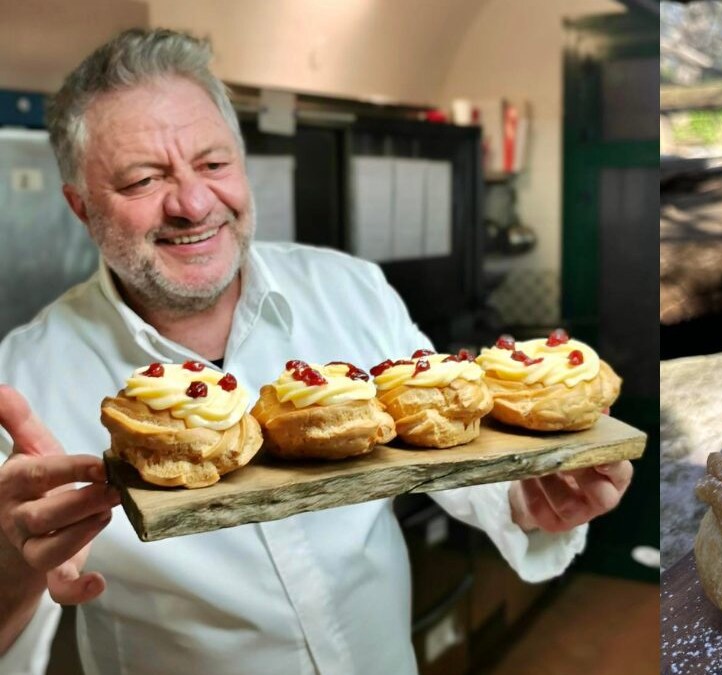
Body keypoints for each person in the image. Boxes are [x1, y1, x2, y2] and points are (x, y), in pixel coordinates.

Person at [0, 28, 633, 675]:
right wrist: (9, 568)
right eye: (143, 178)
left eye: (214, 164)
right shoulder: (27, 377)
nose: (193, 203)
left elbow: (452, 451)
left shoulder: (349, 288)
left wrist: (534, 500)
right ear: (80, 206)